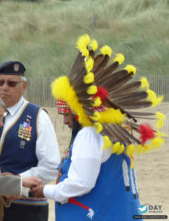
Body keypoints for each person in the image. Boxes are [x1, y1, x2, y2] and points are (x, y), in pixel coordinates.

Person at [31, 34, 165, 221]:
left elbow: (82, 183)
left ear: (78, 112)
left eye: (67, 115)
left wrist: (45, 190)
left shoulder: (89, 135)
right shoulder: (114, 130)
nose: (65, 122)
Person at [0, 61, 61, 221]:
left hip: (25, 209)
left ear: (24, 86)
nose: (4, 87)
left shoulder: (38, 117)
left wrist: (17, 182)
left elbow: (51, 166)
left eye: (11, 83)